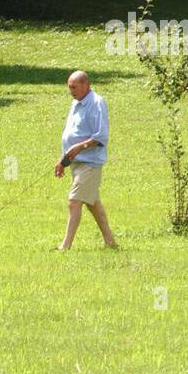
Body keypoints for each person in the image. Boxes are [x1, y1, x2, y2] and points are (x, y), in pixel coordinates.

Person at [55, 70, 117, 250]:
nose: (71, 91)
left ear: (85, 85)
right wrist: (63, 159)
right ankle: (110, 241)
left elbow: (101, 137)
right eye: (69, 87)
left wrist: (78, 147)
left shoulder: (97, 103)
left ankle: (65, 246)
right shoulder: (76, 103)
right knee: (93, 204)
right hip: (76, 162)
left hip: (90, 163)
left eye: (74, 87)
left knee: (74, 201)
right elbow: (72, 134)